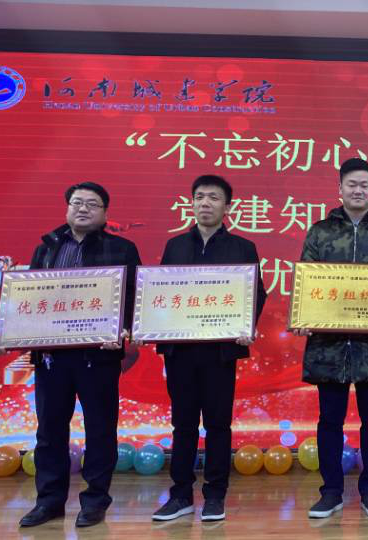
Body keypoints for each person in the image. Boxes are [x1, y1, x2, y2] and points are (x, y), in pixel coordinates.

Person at [0, 182, 141, 528]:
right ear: (67, 208)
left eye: (92, 204)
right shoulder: (46, 248)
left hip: (98, 357)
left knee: (100, 430)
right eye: (76, 202)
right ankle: (49, 502)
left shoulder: (122, 249)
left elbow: (133, 297)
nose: (83, 208)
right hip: (51, 358)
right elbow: (28, 300)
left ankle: (95, 501)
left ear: (105, 213)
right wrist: (3, 332)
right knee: (49, 432)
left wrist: (122, 330)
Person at [293, 157, 368, 519]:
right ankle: (331, 492)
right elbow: (307, 281)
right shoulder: (320, 231)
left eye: (364, 185)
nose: (358, 190)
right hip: (329, 346)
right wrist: (304, 317)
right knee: (329, 420)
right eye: (352, 184)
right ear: (340, 189)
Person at [150, 175, 267, 523]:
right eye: (199, 196)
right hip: (181, 351)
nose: (205, 203)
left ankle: (215, 496)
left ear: (227, 206)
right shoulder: (174, 246)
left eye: (213, 197)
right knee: (183, 425)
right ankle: (181, 495)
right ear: (192, 203)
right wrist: (150, 326)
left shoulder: (242, 247)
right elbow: (161, 293)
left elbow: (256, 294)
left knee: (218, 425)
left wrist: (246, 326)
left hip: (219, 352)